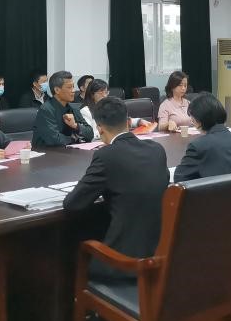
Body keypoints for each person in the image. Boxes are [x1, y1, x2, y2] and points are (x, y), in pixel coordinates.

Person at [64, 96, 169, 276]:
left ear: (100, 128)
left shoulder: (106, 156)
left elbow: (72, 204)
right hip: (160, 257)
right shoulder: (156, 149)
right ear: (128, 122)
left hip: (124, 264)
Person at [174, 93, 231, 182]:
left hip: (212, 191)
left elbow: (180, 178)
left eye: (193, 120)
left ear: (199, 121)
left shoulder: (198, 146)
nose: (192, 123)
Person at [31, 71, 95, 148]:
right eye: (69, 87)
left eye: (73, 87)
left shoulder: (73, 108)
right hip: (47, 152)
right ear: (57, 90)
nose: (73, 90)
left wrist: (75, 125)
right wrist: (76, 138)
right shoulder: (46, 109)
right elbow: (54, 139)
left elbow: (90, 134)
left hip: (69, 150)